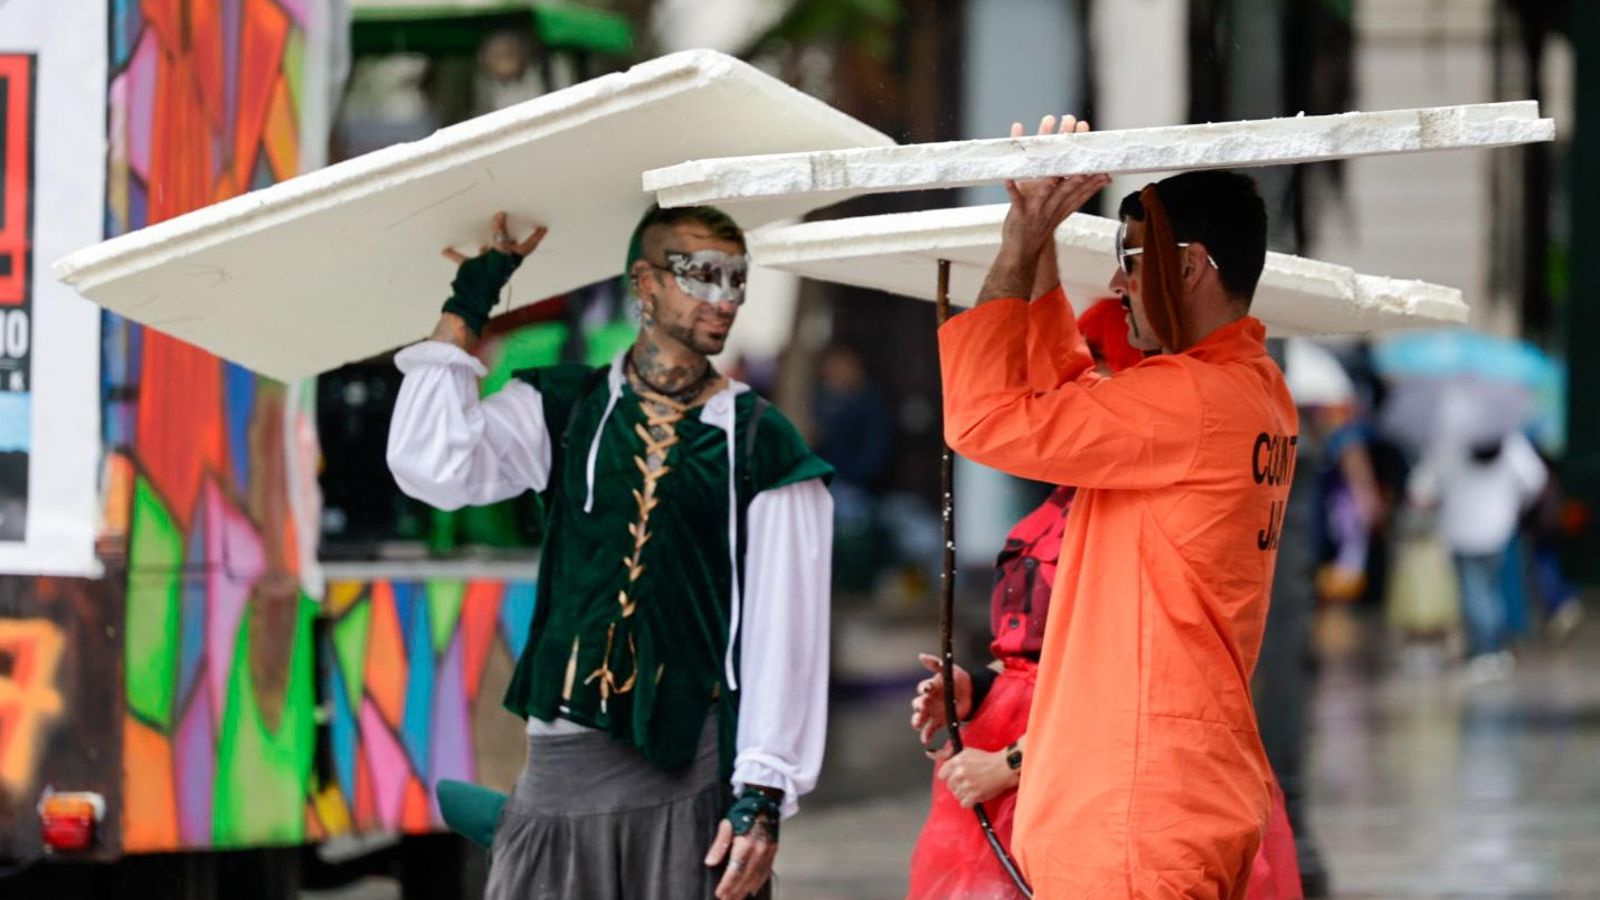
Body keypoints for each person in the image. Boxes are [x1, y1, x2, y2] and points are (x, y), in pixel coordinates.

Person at [387, 207, 834, 899]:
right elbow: (431, 462)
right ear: (645, 284)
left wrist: (763, 794)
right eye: (701, 276)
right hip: (557, 771)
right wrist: (468, 303)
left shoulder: (762, 443)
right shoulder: (566, 406)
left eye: (736, 280)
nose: (723, 299)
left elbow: (786, 630)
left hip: (686, 781)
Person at [938, 113, 1298, 896]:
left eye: (1129, 259)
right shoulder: (1253, 391)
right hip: (1174, 793)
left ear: (1191, 265)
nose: (1118, 285)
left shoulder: (1195, 400)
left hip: (1136, 813)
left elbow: (984, 419)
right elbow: (1069, 397)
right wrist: (1041, 248)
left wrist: (1019, 242)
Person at [1408, 426, 1547, 682]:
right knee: (1491, 589)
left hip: (1461, 529)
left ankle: (1486, 650)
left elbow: (1422, 487)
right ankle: (1491, 646)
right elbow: (1535, 478)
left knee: (1474, 591)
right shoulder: (1510, 440)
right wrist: (1515, 504)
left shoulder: (1447, 441)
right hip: (1499, 528)